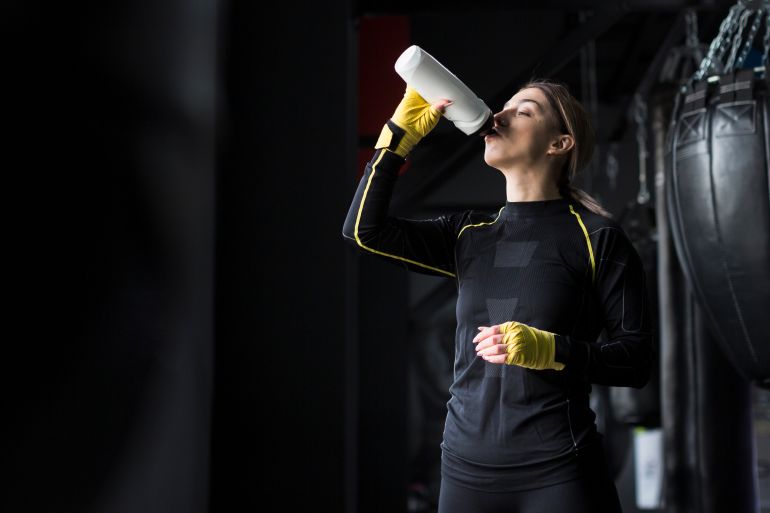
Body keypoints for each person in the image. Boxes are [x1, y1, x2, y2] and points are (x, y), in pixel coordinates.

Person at [342, 78, 652, 513]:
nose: (499, 115)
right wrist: (394, 142)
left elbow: (636, 361)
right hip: (465, 471)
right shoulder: (469, 234)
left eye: (523, 111)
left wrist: (552, 349)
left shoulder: (597, 238)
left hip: (560, 469)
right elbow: (364, 232)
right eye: (503, 107)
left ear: (559, 143)